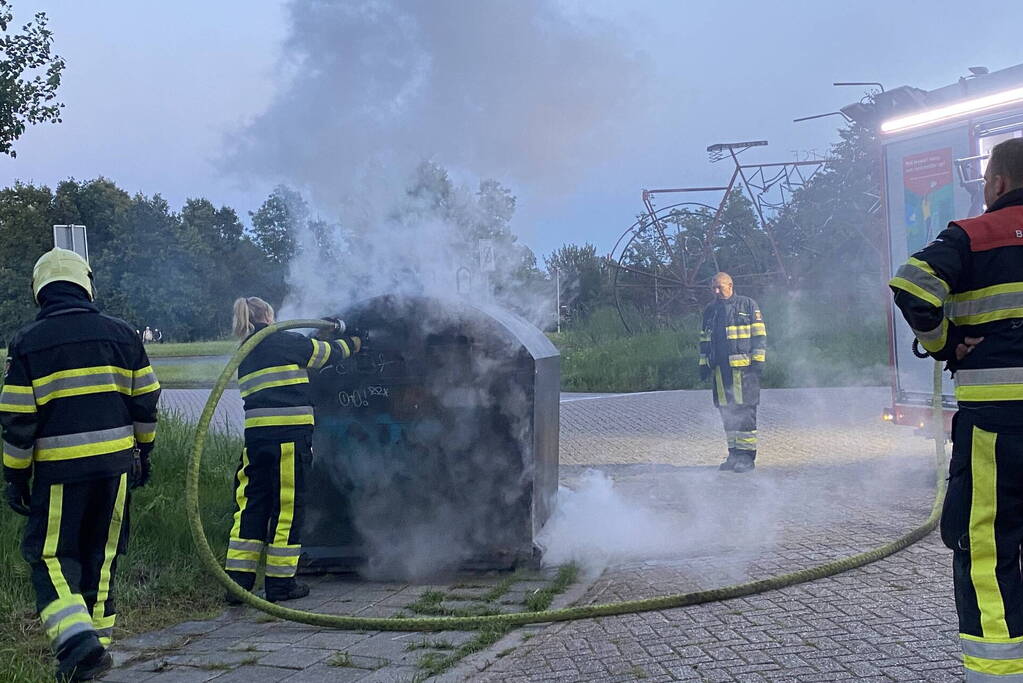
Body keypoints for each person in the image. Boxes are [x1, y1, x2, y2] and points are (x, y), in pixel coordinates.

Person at [890, 137, 1023, 681]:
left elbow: (912, 284)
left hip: (997, 424)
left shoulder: (973, 235)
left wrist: (945, 342)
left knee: (989, 547)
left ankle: (999, 674)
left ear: (995, 183)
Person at [1, 248, 160, 682]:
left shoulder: (27, 342)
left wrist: (15, 476)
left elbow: (17, 420)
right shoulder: (124, 334)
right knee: (103, 556)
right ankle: (95, 655)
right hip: (115, 467)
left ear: (41, 289)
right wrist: (143, 453)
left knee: (50, 555)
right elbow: (145, 402)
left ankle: (77, 644)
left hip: (58, 471)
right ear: (85, 283)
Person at [225, 296, 362, 603]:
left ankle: (237, 585)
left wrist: (322, 332)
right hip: (288, 439)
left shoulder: (246, 351)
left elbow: (301, 353)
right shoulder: (282, 341)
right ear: (269, 316)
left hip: (256, 441)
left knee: (252, 506)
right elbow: (326, 354)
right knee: (288, 508)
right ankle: (280, 584)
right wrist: (353, 342)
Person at [698, 272, 766, 473]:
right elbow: (704, 340)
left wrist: (758, 362)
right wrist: (703, 364)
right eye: (713, 288)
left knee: (745, 412)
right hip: (720, 371)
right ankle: (734, 454)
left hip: (744, 370)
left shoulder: (747, 305)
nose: (716, 291)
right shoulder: (710, 311)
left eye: (720, 287)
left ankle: (746, 457)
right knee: (727, 412)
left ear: (730, 285)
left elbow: (759, 335)